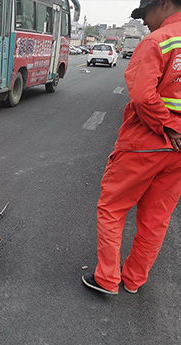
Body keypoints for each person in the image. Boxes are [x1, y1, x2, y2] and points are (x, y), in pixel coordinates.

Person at [82, 0, 181, 295]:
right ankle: (134, 279)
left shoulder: (158, 41)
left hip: (145, 142)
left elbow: (142, 96)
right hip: (178, 152)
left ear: (162, 3)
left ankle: (107, 279)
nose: (145, 22)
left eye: (145, 14)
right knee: (156, 219)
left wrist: (168, 125)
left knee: (113, 208)